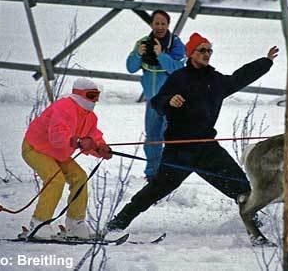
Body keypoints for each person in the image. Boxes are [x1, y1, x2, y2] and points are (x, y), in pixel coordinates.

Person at [105, 32, 278, 232]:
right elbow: (156, 102)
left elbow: (239, 78)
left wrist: (265, 62)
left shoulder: (215, 80)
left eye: (209, 50)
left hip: (207, 149)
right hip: (179, 150)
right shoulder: (179, 78)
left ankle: (253, 224)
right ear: (191, 53)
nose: (207, 54)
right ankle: (117, 224)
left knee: (242, 188)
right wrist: (169, 101)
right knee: (154, 191)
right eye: (202, 50)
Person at [22, 78, 112, 239]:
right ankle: (39, 223)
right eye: (92, 95)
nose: (95, 100)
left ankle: (75, 223)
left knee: (80, 177)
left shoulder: (89, 116)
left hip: (58, 153)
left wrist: (101, 149)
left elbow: (93, 137)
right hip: (35, 148)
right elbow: (57, 137)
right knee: (55, 179)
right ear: (80, 94)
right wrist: (78, 142)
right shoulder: (63, 107)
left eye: (97, 96)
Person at [126, 10, 185, 181]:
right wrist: (138, 54)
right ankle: (153, 173)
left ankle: (170, 172)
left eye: (163, 24)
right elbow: (130, 67)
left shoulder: (176, 44)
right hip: (152, 100)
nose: (159, 27)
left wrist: (161, 55)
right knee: (152, 137)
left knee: (171, 137)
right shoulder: (142, 42)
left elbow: (179, 69)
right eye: (156, 23)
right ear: (151, 24)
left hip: (172, 101)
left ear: (168, 25)